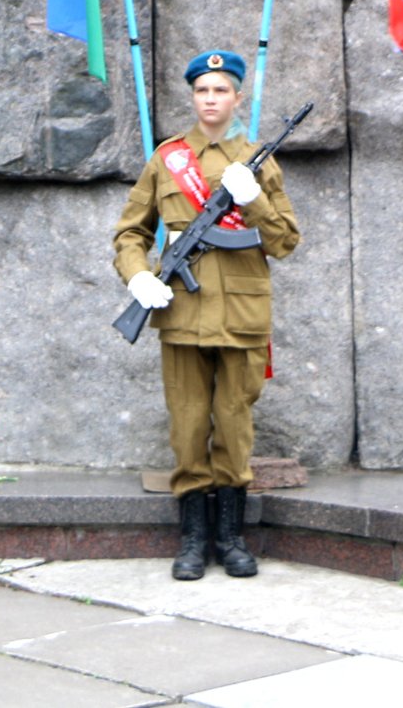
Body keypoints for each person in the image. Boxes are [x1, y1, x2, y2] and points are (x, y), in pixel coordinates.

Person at [113, 50, 301, 580]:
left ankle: (233, 538)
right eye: (203, 90)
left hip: (241, 317)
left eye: (221, 90)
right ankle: (193, 539)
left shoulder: (257, 161)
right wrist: (139, 276)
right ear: (193, 97)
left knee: (235, 428)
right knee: (189, 427)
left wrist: (255, 200)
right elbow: (129, 232)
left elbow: (285, 242)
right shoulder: (167, 158)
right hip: (182, 313)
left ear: (237, 97)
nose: (211, 99)